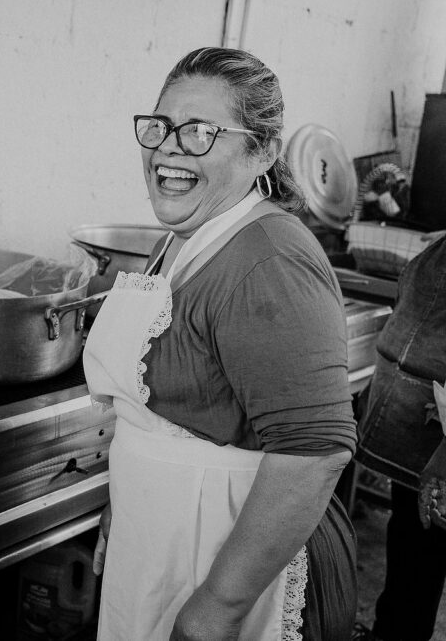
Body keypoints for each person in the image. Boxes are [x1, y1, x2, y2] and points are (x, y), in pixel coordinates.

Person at [84, 46, 358, 640]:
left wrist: (218, 608)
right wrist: (122, 508)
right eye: (159, 126)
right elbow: (163, 416)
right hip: (164, 545)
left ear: (261, 150)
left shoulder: (270, 260)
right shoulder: (186, 235)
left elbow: (314, 454)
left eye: (200, 132)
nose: (167, 149)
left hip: (231, 572)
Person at [352, 231, 446, 641]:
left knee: (421, 553)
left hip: (437, 445)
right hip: (415, 438)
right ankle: (391, 631)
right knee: (411, 545)